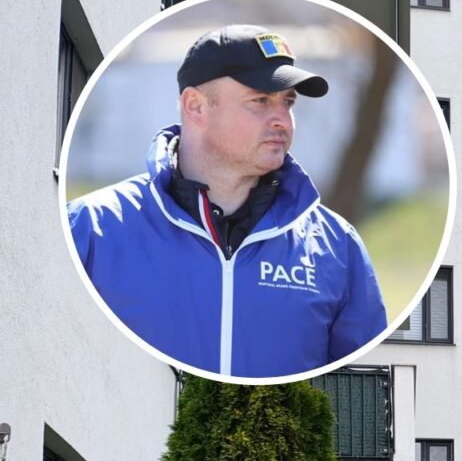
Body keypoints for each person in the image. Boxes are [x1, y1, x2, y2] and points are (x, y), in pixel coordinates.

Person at [68, 24, 387, 379]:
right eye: (260, 100)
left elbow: (360, 386)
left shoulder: (337, 247)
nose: (282, 120)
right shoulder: (92, 230)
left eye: (288, 102)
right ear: (195, 106)